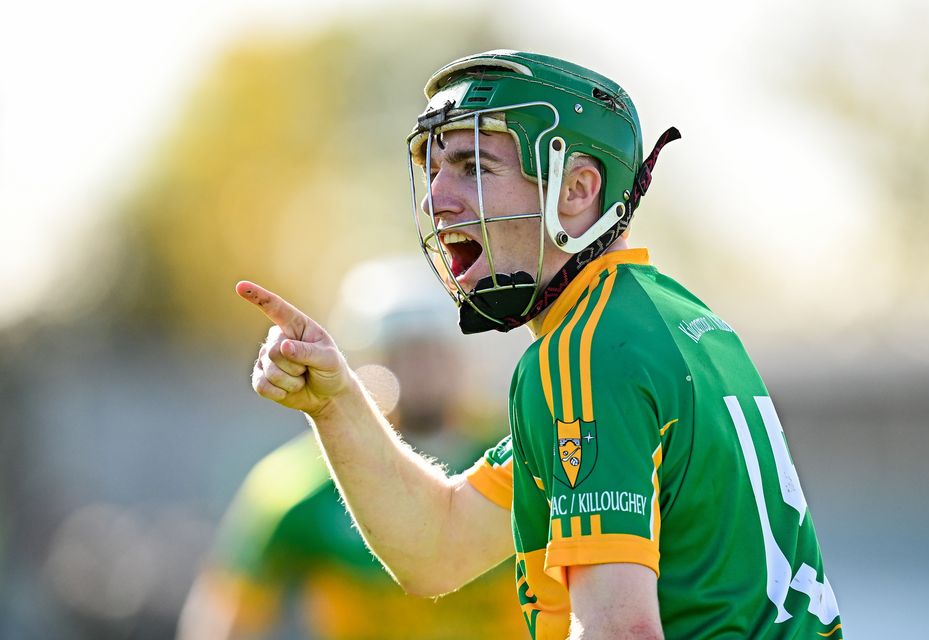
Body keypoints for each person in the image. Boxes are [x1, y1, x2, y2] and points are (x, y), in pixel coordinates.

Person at [238, 50, 842, 639]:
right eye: (436, 169)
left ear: (577, 190)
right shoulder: (676, 320)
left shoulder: (589, 350)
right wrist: (336, 401)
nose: (435, 200)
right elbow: (438, 548)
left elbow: (619, 630)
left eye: (475, 167)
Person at [179, 258, 526, 639]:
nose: (421, 371)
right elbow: (225, 619)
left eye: (432, 352)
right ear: (366, 359)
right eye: (402, 354)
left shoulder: (526, 459)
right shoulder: (297, 485)